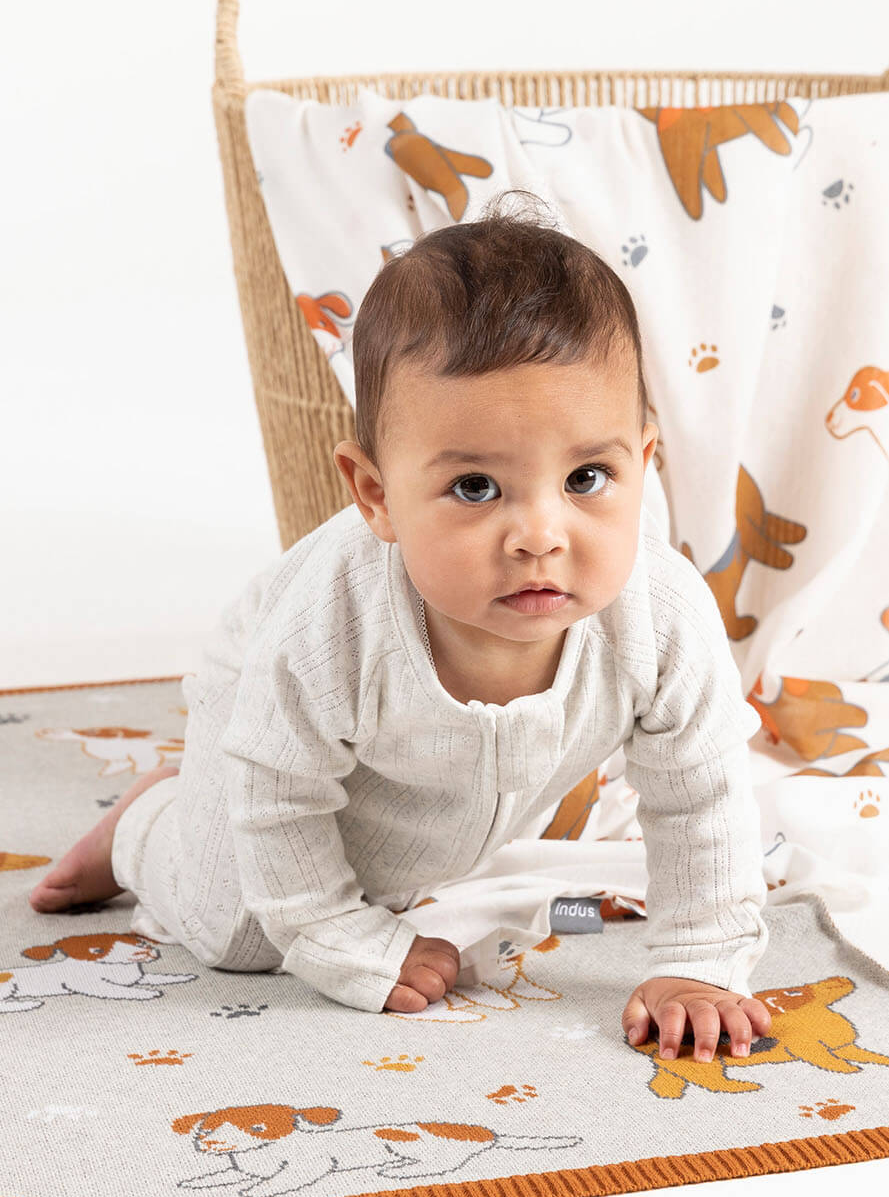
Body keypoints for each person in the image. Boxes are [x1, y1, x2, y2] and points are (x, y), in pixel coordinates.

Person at [29, 190, 772, 1061]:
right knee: (242, 932)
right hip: (268, 724)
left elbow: (701, 793)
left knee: (390, 863)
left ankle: (213, 809)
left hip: (419, 778)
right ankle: (147, 826)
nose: (540, 533)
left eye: (585, 478)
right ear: (375, 494)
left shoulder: (661, 615)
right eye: (474, 487)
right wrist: (345, 940)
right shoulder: (329, 628)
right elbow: (277, 800)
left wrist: (696, 961)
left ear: (642, 464)